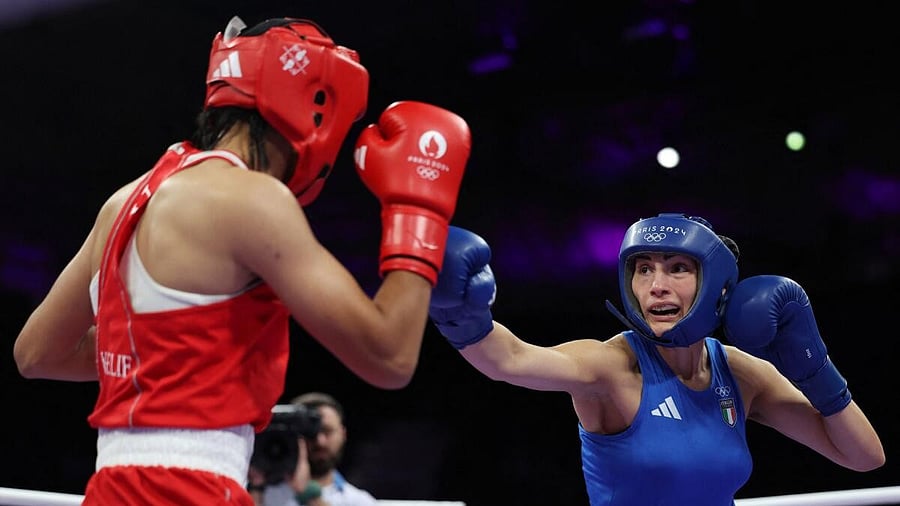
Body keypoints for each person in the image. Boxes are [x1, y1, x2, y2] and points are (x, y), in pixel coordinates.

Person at [13, 14, 471, 506]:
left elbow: (38, 353)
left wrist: (168, 357)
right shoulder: (253, 200)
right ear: (314, 104)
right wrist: (418, 212)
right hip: (192, 490)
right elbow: (389, 358)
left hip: (110, 488)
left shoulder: (125, 200)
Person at [429, 213, 885, 506]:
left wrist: (813, 365)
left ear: (717, 285)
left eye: (677, 268)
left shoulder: (743, 373)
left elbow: (863, 457)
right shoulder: (611, 365)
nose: (656, 285)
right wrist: (461, 315)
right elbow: (508, 360)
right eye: (643, 268)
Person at [249, 392, 377, 506]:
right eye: (310, 434)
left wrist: (307, 492)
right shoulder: (260, 491)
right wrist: (255, 488)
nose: (320, 441)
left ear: (343, 434)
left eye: (327, 431)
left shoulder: (359, 501)